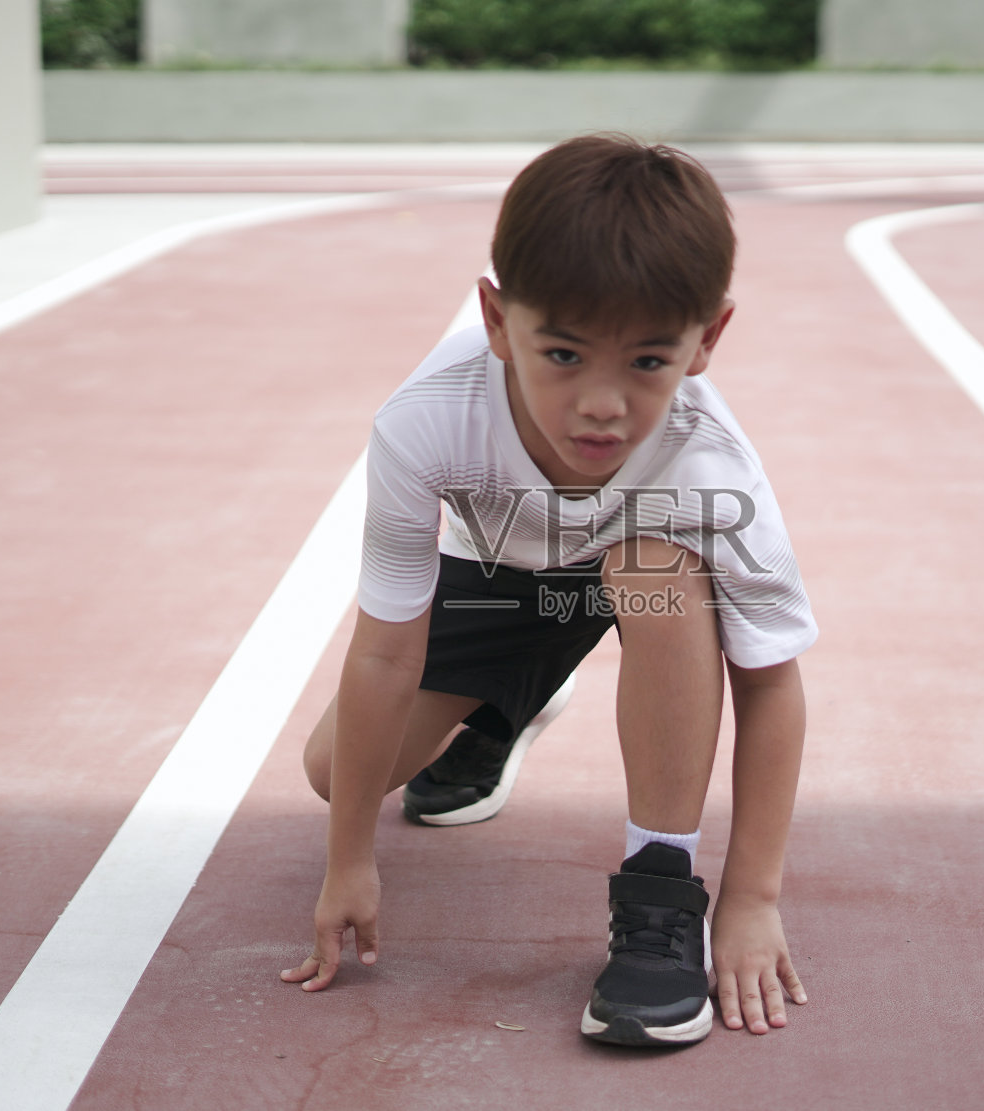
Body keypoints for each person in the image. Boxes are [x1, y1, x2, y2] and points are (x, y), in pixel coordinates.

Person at [279, 133, 817, 1047]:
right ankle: (507, 711)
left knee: (652, 565)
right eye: (563, 355)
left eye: (647, 361)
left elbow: (769, 682)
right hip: (502, 586)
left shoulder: (709, 466)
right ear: (497, 320)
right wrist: (350, 861)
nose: (602, 404)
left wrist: (751, 897)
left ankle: (659, 895)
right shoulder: (427, 420)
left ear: (706, 340)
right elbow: (383, 644)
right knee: (337, 778)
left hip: (640, 579)